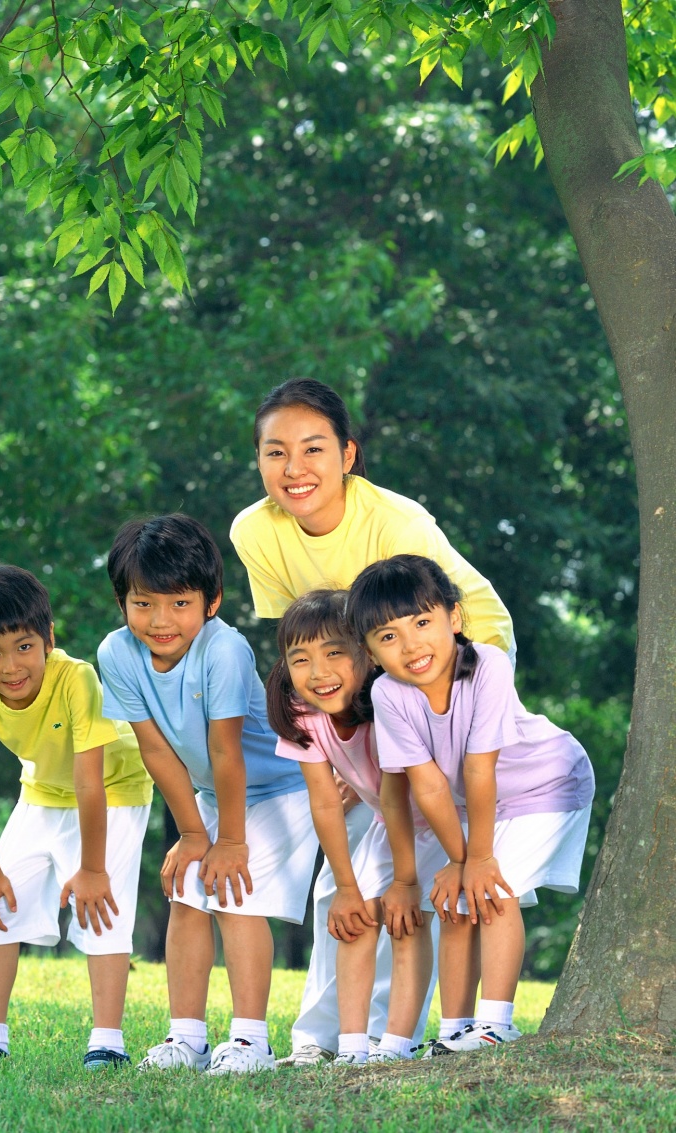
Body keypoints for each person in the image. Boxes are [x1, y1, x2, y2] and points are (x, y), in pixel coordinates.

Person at [229, 377, 515, 1064]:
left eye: (313, 449)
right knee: (348, 869)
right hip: (360, 690)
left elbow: (427, 635)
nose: (294, 469)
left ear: (348, 454)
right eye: (276, 452)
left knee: (410, 854)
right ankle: (324, 1035)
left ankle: (401, 1032)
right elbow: (301, 640)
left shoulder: (398, 524)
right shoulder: (255, 531)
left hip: (445, 670)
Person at [96, 515, 317, 1075]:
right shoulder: (117, 654)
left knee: (232, 891)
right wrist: (195, 834)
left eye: (179, 603)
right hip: (214, 795)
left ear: (211, 601)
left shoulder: (224, 649)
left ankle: (250, 1041)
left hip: (283, 786)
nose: (161, 620)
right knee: (187, 892)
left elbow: (227, 751)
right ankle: (186, 1037)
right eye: (143, 604)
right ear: (122, 602)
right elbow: (156, 751)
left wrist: (230, 841)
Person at [347, 554, 594, 1053]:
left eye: (422, 622)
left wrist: (476, 859)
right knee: (455, 900)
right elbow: (429, 786)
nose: (412, 644)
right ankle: (455, 1029)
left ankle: (497, 1023)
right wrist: (460, 860)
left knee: (493, 890)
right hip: (477, 804)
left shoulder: (488, 666)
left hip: (546, 783)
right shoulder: (391, 695)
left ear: (454, 618)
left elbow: (481, 767)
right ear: (370, 653)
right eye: (388, 637)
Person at [0, 564, 152, 1071]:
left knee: (102, 909)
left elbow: (89, 781)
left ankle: (108, 1043)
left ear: (49, 639)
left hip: (115, 788)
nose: (11, 666)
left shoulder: (76, 677)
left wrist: (93, 869)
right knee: (0, 906)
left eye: (23, 647)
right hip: (40, 790)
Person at [268, 590, 446, 1066]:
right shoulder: (304, 714)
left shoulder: (391, 700)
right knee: (352, 918)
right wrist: (347, 886)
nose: (319, 672)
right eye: (300, 658)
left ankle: (398, 1044)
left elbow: (398, 794)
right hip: (395, 821)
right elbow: (324, 801)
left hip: (445, 818)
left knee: (413, 919)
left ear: (366, 655)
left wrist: (405, 882)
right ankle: (348, 1047)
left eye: (334, 653)